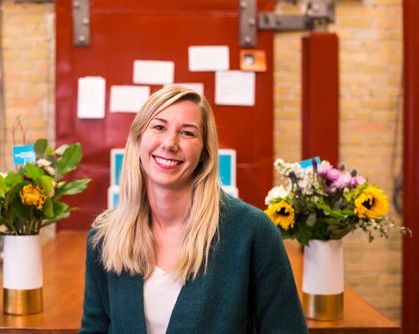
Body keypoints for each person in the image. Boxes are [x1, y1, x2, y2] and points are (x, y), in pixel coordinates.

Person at [79, 86, 308, 333]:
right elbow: (95, 328)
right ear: (137, 139)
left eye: (187, 133)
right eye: (158, 127)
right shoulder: (104, 237)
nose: (169, 143)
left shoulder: (252, 232)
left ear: (204, 153)